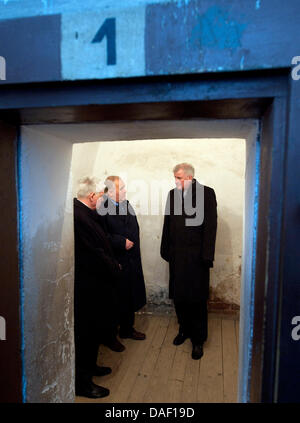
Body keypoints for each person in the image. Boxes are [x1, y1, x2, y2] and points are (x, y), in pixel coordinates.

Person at [160, 163, 217, 360]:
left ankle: (198, 339)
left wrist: (206, 257)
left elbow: (211, 228)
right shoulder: (172, 195)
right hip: (177, 256)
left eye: (179, 178)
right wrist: (165, 249)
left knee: (197, 300)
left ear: (190, 178)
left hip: (196, 259)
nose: (175, 181)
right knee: (179, 297)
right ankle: (184, 329)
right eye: (174, 177)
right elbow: (168, 223)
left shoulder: (206, 194)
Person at [73, 176, 121, 398]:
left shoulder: (85, 213)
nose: (102, 199)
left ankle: (91, 368)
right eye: (101, 195)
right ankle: (83, 383)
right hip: (88, 287)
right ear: (92, 196)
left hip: (95, 284)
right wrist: (114, 266)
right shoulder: (78, 216)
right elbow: (95, 253)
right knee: (85, 335)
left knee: (92, 334)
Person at [98, 176, 147, 344]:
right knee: (115, 299)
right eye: (122, 188)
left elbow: (132, 226)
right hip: (116, 259)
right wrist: (121, 242)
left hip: (130, 258)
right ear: (111, 192)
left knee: (129, 295)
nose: (126, 190)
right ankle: (111, 336)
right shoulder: (102, 208)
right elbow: (101, 236)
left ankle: (127, 329)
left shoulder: (125, 203)